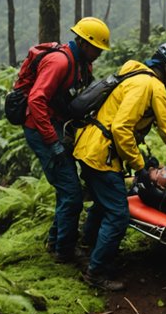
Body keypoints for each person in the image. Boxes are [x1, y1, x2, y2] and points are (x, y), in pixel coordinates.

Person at [72, 42, 166, 290]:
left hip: (89, 147)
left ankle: (88, 250)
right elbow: (129, 129)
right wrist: (141, 167)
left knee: (104, 205)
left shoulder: (132, 72)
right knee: (117, 215)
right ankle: (96, 272)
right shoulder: (152, 85)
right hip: (101, 155)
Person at [21, 17, 109, 264]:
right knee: (71, 192)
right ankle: (65, 251)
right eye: (97, 48)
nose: (99, 54)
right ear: (83, 42)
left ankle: (55, 240)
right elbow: (36, 100)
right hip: (41, 129)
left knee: (66, 188)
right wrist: (53, 143)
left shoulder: (83, 64)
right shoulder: (59, 62)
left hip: (56, 125)